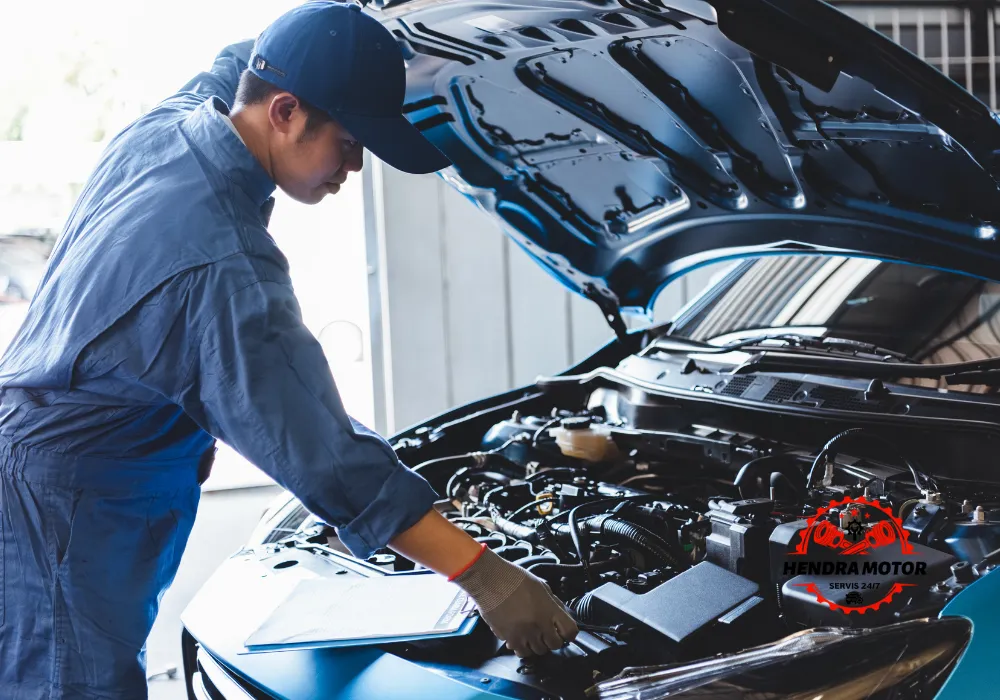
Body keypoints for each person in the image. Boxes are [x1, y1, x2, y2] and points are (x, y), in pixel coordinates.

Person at [0, 2, 578, 698]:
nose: (356, 166)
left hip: (70, 476)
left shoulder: (176, 125)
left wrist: (349, 38)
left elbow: (237, 60)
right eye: (349, 140)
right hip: (66, 507)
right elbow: (329, 457)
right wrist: (485, 576)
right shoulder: (222, 266)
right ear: (284, 113)